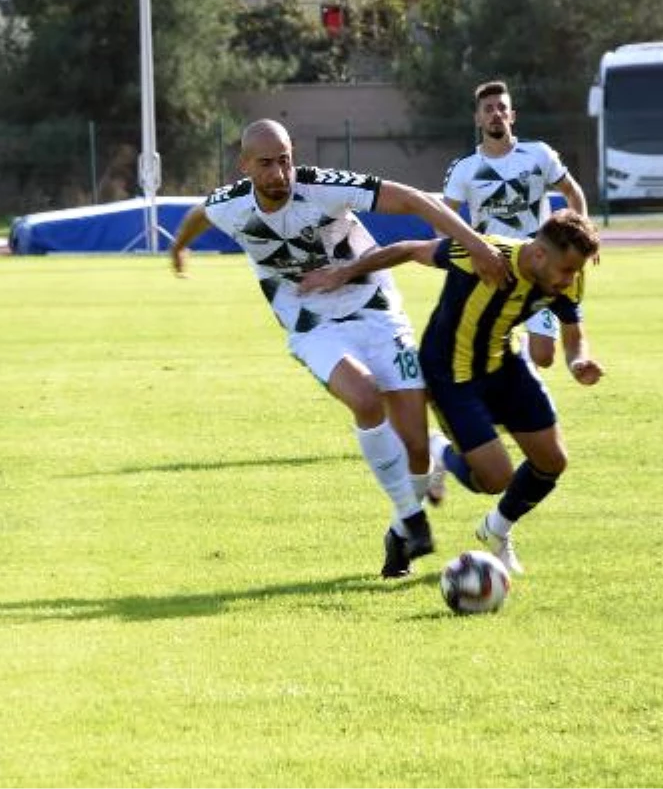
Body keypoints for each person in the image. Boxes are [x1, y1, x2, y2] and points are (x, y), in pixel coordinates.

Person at [168, 119, 508, 579]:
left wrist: (475, 244)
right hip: (312, 323)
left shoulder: (321, 187)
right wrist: (178, 250)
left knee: (416, 448)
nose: (279, 173)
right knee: (366, 398)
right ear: (244, 166)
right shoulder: (230, 206)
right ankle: (411, 518)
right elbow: (196, 216)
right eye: (266, 164)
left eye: (285, 160)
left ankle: (398, 530)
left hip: (377, 309)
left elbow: (412, 199)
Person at [298, 209, 603, 576]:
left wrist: (579, 362)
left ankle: (496, 531)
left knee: (552, 461)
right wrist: (345, 272)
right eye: (567, 269)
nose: (571, 279)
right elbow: (411, 249)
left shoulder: (567, 279)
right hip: (451, 378)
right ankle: (441, 451)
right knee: (495, 479)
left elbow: (573, 336)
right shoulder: (483, 256)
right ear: (539, 254)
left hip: (504, 366)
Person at [442, 79, 590, 369]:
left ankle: (522, 351)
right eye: (488, 109)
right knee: (482, 351)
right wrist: (465, 254)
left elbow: (573, 193)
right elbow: (443, 216)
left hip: (539, 265)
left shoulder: (539, 154)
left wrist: (583, 235)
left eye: (502, 107)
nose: (495, 113)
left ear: (512, 115)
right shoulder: (464, 168)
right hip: (493, 266)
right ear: (478, 118)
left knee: (544, 356)